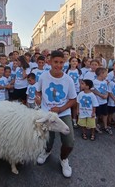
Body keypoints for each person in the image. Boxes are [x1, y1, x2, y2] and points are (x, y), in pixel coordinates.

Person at [36, 50, 77, 178]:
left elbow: (73, 100)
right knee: (48, 139)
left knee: (69, 141)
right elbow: (38, 92)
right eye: (55, 62)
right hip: (46, 113)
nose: (58, 65)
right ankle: (46, 152)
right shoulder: (43, 76)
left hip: (63, 113)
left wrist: (60, 109)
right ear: (49, 62)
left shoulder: (68, 79)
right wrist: (38, 98)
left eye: (61, 62)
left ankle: (63, 159)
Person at [92, 67, 111, 135]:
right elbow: (93, 90)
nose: (107, 75)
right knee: (97, 114)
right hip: (97, 102)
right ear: (101, 74)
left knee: (105, 114)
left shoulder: (105, 81)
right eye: (106, 73)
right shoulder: (94, 81)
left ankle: (105, 126)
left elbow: (107, 89)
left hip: (104, 101)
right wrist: (101, 95)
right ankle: (95, 126)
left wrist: (106, 95)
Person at [66, 57, 82, 128]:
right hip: (69, 91)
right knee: (68, 106)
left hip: (77, 91)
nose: (74, 62)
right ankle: (68, 120)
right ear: (70, 62)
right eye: (73, 61)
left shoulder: (79, 71)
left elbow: (80, 82)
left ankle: (74, 119)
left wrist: (81, 90)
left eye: (76, 61)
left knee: (75, 106)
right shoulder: (67, 71)